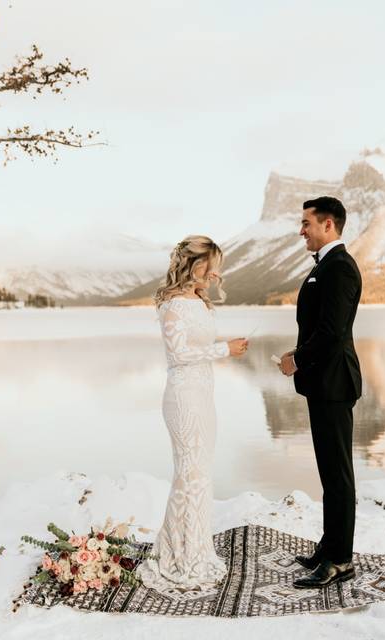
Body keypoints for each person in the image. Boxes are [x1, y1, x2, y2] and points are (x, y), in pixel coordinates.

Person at [138, 235, 248, 590]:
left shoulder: (199, 302)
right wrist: (224, 350)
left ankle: (196, 549)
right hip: (183, 396)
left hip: (204, 394)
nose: (217, 273)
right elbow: (180, 354)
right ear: (196, 265)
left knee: (200, 473)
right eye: (211, 265)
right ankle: (177, 555)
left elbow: (198, 341)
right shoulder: (172, 305)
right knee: (189, 474)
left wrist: (205, 289)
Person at [277, 196, 363, 589]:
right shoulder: (327, 266)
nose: (301, 231)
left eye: (306, 224)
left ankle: (340, 560)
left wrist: (296, 359)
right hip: (323, 383)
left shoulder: (341, 268)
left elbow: (333, 333)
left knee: (338, 474)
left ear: (328, 225)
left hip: (334, 383)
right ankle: (329, 547)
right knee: (329, 472)